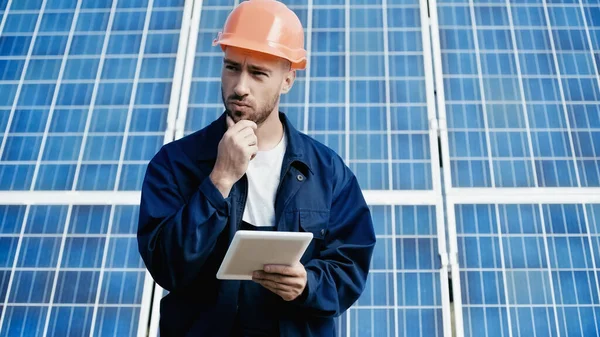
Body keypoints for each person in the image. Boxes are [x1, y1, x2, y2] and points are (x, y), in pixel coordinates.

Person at [137, 0, 376, 336]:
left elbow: (350, 265)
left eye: (258, 73)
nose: (240, 87)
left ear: (288, 80)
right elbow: (166, 266)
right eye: (232, 67)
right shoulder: (176, 164)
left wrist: (309, 284)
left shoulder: (328, 173)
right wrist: (219, 179)